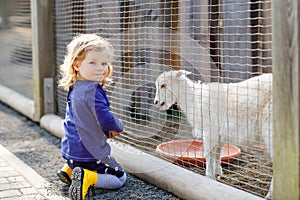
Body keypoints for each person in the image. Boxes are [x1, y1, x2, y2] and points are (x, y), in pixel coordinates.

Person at [57, 34, 126, 200]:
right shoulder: (93, 91)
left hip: (70, 151)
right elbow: (105, 118)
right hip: (90, 155)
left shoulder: (75, 87)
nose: (100, 68)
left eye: (103, 63)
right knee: (120, 178)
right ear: (77, 64)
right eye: (93, 62)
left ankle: (69, 170)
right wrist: (118, 126)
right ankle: (89, 177)